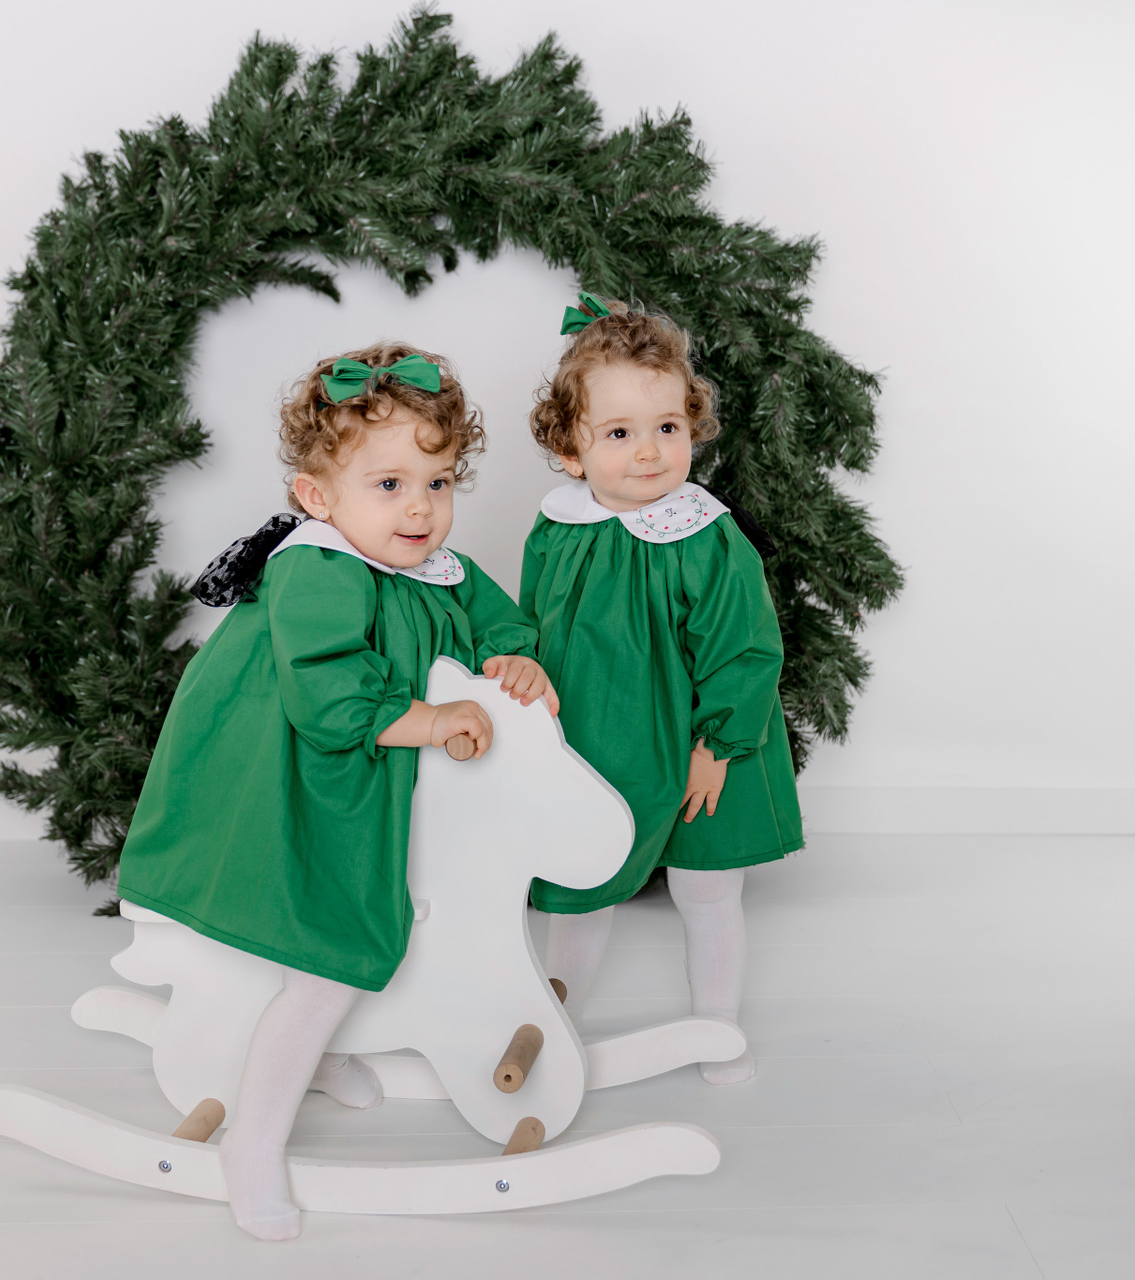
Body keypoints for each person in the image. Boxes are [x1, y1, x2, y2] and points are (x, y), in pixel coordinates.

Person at [116, 342, 557, 1240]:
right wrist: (429, 720)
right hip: (295, 776)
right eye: (389, 485)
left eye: (437, 482)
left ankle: (316, 1057)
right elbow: (329, 694)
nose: (421, 508)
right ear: (317, 497)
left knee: (366, 925)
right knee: (326, 952)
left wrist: (514, 656)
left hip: (368, 776)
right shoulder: (316, 567)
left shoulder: (433, 563)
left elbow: (495, 616)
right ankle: (252, 1145)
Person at [523, 294, 802, 1086]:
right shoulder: (558, 528)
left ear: (691, 426)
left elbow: (745, 649)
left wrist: (719, 746)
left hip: (704, 742)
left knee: (706, 889)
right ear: (572, 450)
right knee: (582, 884)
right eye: (619, 433)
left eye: (668, 427)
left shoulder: (707, 537)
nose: (649, 451)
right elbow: (537, 625)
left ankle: (718, 1027)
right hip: (599, 735)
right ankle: (555, 1024)